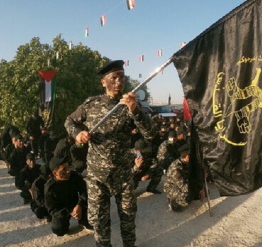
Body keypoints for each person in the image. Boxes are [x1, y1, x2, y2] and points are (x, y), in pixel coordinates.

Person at [64, 60, 155, 247]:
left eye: (121, 77)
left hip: (122, 174)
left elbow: (150, 133)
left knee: (128, 219)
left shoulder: (129, 104)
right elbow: (69, 121)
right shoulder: (91, 104)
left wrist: (135, 110)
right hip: (98, 176)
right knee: (99, 221)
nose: (118, 82)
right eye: (114, 78)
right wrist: (78, 133)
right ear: (103, 82)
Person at [44, 156, 92, 236]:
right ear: (55, 173)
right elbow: (52, 209)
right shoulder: (50, 188)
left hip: (77, 204)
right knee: (58, 229)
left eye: (68, 167)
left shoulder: (74, 176)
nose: (68, 171)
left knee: (92, 202)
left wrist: (80, 205)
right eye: (64, 169)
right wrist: (69, 212)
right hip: (63, 210)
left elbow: (84, 191)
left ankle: (84, 221)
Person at [163, 143, 205, 212]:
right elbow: (184, 187)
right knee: (186, 200)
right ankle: (173, 203)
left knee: (203, 192)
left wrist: (201, 187)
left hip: (186, 182)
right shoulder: (176, 168)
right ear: (188, 157)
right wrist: (198, 188)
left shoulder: (189, 163)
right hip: (173, 187)